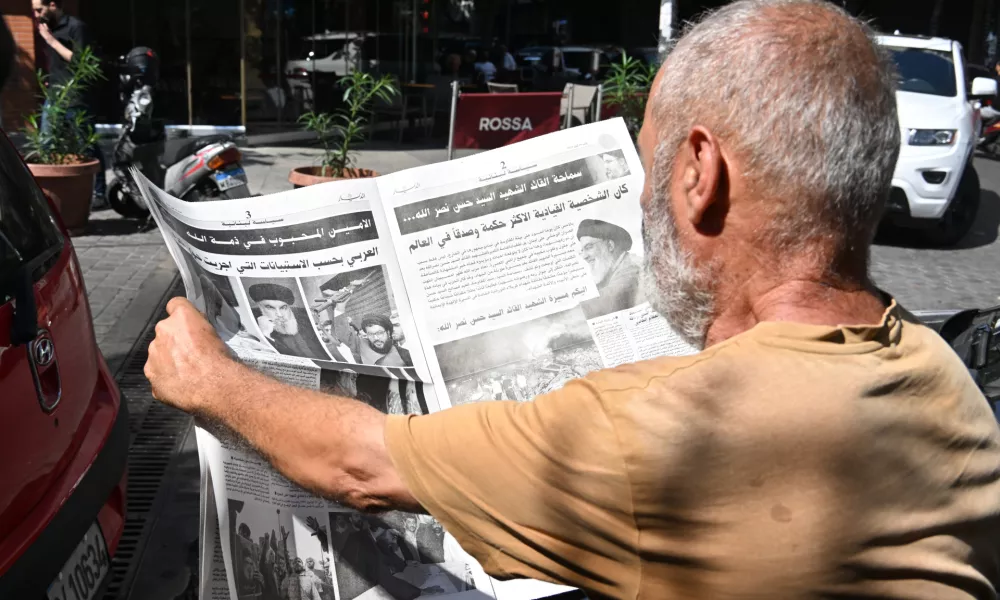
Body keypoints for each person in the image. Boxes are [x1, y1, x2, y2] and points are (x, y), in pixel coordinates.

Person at [145, 2, 1000, 598]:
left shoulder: (660, 434)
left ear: (699, 175)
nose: (635, 201)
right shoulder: (941, 377)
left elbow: (361, 465)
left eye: (649, 162)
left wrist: (209, 379)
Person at [31, 0, 107, 208]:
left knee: (86, 144)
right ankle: (48, 196)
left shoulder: (75, 27)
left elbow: (81, 61)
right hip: (56, 95)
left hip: (75, 96)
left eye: (39, 9)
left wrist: (51, 40)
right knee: (46, 142)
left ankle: (100, 192)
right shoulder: (50, 27)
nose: (36, 15)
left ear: (53, 4)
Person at [576, 219, 642, 318]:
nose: (584, 256)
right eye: (582, 251)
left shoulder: (631, 268)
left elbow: (609, 300)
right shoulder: (610, 271)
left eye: (589, 247)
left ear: (610, 245)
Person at [248, 283, 328, 360]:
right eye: (270, 307)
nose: (279, 314)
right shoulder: (254, 324)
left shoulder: (303, 315)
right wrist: (265, 335)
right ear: (260, 308)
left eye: (283, 307)